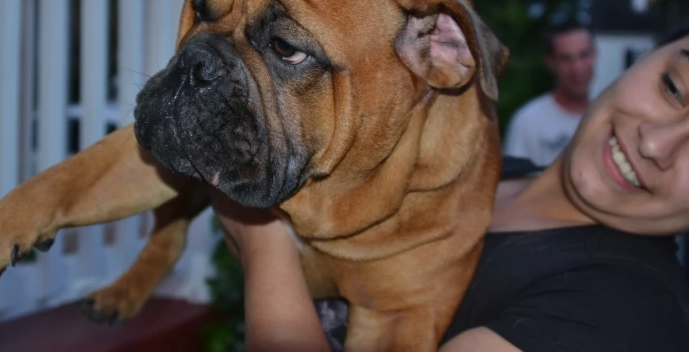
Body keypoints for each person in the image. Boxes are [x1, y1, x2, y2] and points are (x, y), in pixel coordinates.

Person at [212, 23, 689, 352]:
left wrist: (261, 231)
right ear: (643, 57)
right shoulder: (483, 172)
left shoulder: (629, 311)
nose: (655, 144)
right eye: (674, 88)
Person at [504, 18, 597, 166]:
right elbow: (515, 186)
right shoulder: (528, 122)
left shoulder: (606, 116)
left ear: (595, 54)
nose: (577, 68)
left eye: (584, 55)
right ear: (550, 62)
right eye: (566, 59)